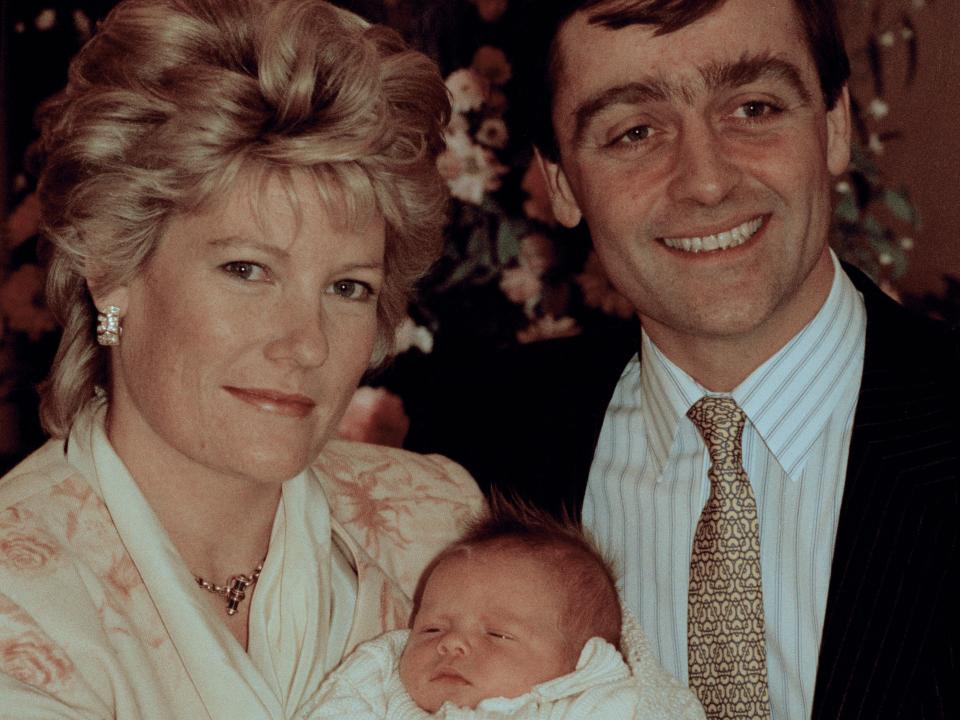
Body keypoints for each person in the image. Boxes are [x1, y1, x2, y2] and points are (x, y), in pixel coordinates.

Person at [404, 1, 959, 718]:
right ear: (563, 183)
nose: (705, 180)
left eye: (754, 108)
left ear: (834, 125)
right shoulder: (467, 456)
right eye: (634, 131)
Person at [0, 0, 484, 717]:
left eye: (348, 287)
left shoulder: (443, 526)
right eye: (247, 270)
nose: (306, 343)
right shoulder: (18, 594)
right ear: (111, 267)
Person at [299, 503, 704, 718]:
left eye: (498, 634)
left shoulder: (593, 706)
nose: (453, 643)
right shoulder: (378, 692)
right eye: (432, 630)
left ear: (583, 666)